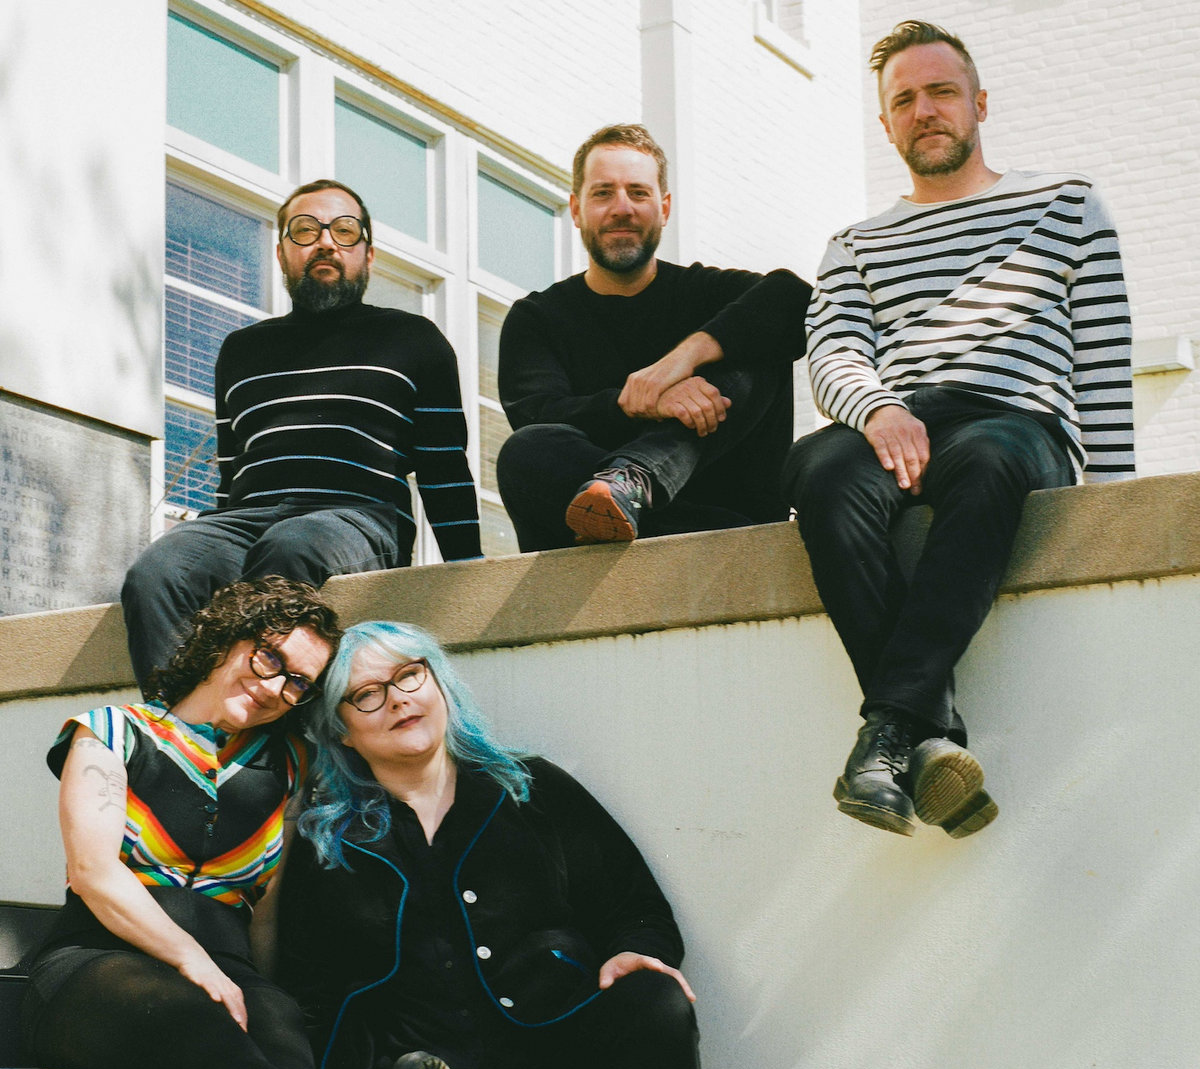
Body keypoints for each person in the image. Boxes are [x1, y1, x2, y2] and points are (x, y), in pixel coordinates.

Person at [781, 20, 1135, 838]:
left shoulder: (1067, 206)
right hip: (899, 419)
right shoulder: (854, 244)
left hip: (1017, 420)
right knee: (819, 470)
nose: (925, 110)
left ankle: (890, 732)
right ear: (885, 125)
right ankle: (929, 741)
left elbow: (1104, 359)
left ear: (980, 102)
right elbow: (832, 353)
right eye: (904, 99)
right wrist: (879, 409)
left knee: (985, 458)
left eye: (941, 91)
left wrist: (1117, 504)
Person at [20, 578, 459, 1069]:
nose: (277, 687)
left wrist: (263, 989)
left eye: (298, 682)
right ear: (228, 637)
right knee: (196, 1021)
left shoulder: (290, 765)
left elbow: (266, 915)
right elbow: (93, 873)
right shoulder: (111, 732)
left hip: (229, 967)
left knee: (281, 1035)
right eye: (269, 658)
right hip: (94, 965)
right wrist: (193, 961)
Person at [276, 621, 701, 1069]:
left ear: (438, 684)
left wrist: (636, 951)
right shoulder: (330, 844)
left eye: (409, 675)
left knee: (655, 995)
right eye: (367, 694)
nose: (398, 699)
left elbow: (637, 907)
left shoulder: (529, 788)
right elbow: (307, 986)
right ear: (341, 731)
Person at [122, 178, 481, 693]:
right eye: (305, 230)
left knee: (290, 547)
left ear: (368, 254)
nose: (326, 242)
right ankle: (178, 731)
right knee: (160, 571)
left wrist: (468, 568)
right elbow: (233, 471)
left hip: (356, 517)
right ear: (281, 253)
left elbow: (444, 465)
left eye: (344, 231)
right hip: (247, 519)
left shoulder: (413, 339)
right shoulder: (241, 350)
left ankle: (263, 730)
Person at [497, 123, 811, 549]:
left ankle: (635, 477)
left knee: (753, 342)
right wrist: (641, 403)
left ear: (664, 209)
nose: (622, 208)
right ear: (576, 209)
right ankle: (626, 489)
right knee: (526, 448)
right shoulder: (538, 318)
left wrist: (681, 362)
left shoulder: (707, 293)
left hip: (731, 517)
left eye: (638, 193)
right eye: (603, 193)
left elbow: (795, 298)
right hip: (674, 528)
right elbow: (536, 413)